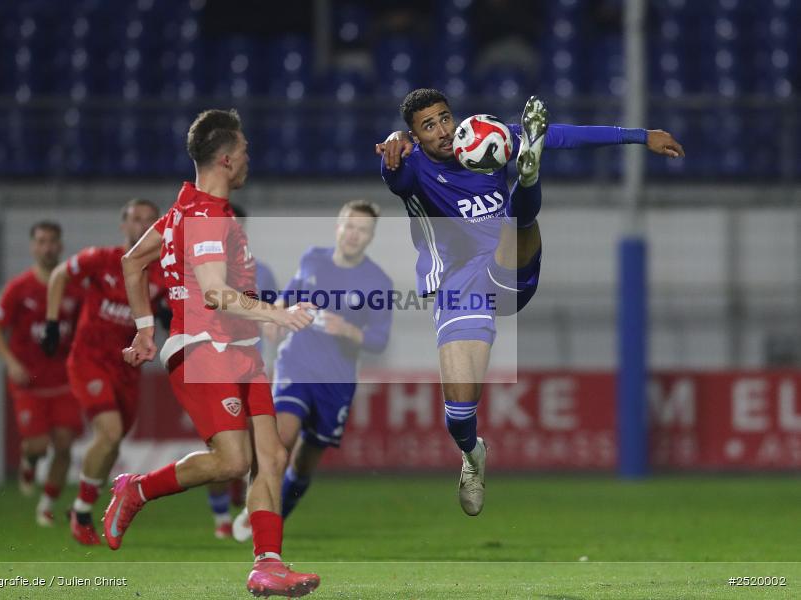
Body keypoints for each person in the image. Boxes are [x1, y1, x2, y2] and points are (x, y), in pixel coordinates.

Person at [375, 89, 684, 516]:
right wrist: (392, 149)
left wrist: (639, 135)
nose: (444, 131)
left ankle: (528, 177)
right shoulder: (409, 166)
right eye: (429, 126)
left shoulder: (488, 137)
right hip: (461, 287)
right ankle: (472, 454)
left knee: (517, 220)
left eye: (445, 118)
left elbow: (564, 136)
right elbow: (395, 178)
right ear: (415, 134)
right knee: (459, 414)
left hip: (510, 265)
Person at [110, 108, 320, 597]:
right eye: (245, 150)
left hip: (240, 350)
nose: (250, 158)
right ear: (226, 159)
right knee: (231, 461)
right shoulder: (207, 216)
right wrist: (278, 314)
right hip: (206, 351)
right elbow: (214, 293)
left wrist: (144, 329)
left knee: (272, 456)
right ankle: (136, 490)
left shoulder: (184, 209)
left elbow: (132, 261)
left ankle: (268, 564)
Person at [231, 199, 392, 541]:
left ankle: (277, 516)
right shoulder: (312, 258)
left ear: (371, 237)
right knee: (280, 442)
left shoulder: (378, 281)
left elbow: (379, 340)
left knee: (303, 464)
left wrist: (348, 330)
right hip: (296, 363)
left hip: (335, 382)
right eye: (349, 226)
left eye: (362, 230)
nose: (353, 235)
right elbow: (286, 298)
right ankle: (260, 514)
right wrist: (275, 316)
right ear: (338, 227)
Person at [43, 199, 166, 545]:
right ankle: (82, 513)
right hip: (89, 360)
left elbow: (164, 308)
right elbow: (59, 275)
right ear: (123, 225)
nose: (141, 225)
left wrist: (168, 316)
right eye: (135, 219)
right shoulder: (101, 259)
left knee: (113, 442)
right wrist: (52, 324)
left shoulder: (159, 272)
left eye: (149, 220)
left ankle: (82, 506)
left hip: (128, 367)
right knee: (109, 431)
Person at [0, 221, 83, 526]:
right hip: (29, 382)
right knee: (38, 446)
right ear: (33, 247)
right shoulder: (19, 288)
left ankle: (47, 504)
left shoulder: (74, 287)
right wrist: (10, 362)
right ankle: (29, 463)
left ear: (61, 245)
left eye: (52, 241)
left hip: (64, 381)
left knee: (65, 444)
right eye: (41, 241)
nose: (47, 247)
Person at [203, 203, 278, 540]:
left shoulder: (262, 271)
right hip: (218, 367)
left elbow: (274, 316)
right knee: (226, 450)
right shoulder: (206, 270)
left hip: (253, 367)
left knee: (263, 451)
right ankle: (221, 515)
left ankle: (252, 518)